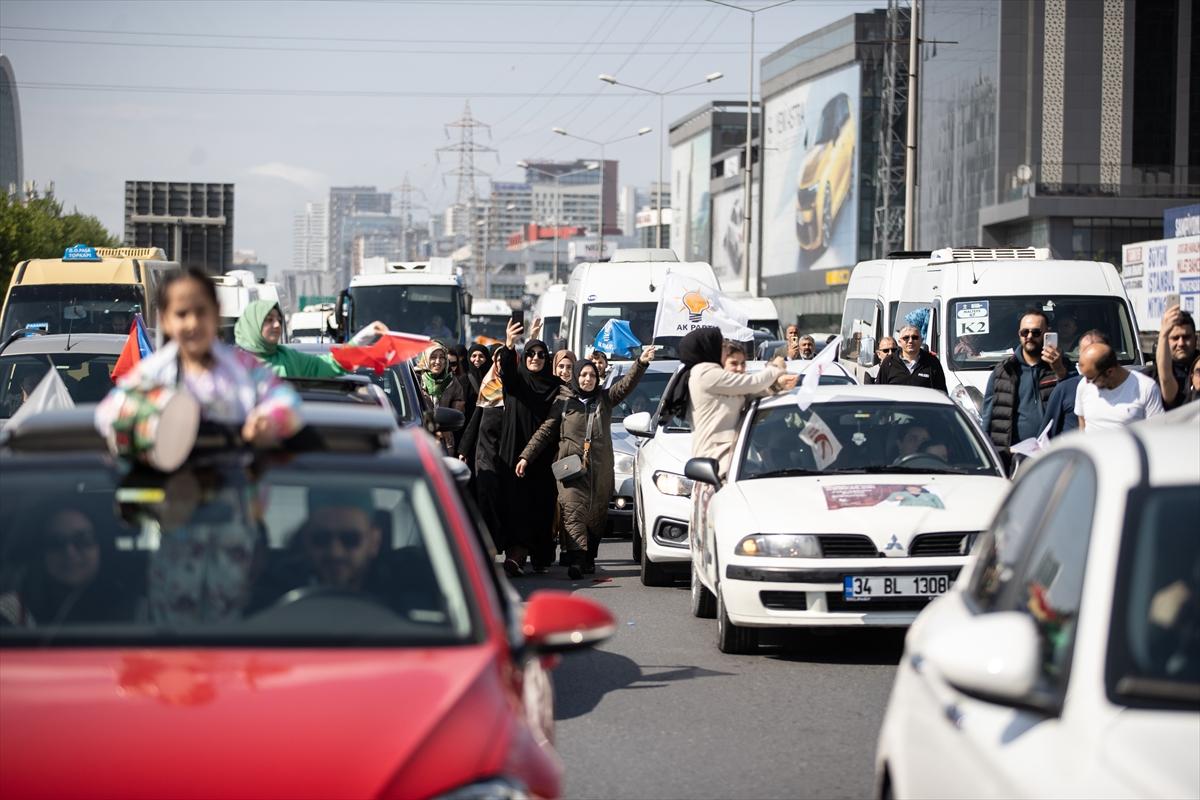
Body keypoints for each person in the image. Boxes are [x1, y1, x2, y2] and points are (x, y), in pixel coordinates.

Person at [97, 267, 302, 445]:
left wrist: (268, 421)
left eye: (201, 312)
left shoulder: (243, 367)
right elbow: (107, 414)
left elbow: (289, 401)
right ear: (164, 320)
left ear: (216, 313)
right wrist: (148, 421)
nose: (193, 323)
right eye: (182, 314)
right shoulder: (151, 372)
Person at [518, 346, 655, 578]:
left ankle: (588, 557)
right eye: (583, 375)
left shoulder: (605, 399)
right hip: (571, 471)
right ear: (576, 376)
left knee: (596, 517)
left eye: (591, 375)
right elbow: (545, 431)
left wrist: (641, 363)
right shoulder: (563, 403)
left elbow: (626, 385)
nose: (587, 379)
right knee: (572, 512)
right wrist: (526, 456)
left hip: (600, 471)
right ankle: (577, 560)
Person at [663, 327, 797, 480]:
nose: (724, 349)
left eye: (743, 363)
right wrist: (775, 367)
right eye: (719, 344)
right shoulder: (704, 372)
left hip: (735, 464)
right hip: (714, 466)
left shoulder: (720, 380)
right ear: (708, 347)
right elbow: (754, 382)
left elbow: (750, 393)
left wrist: (777, 385)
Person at [497, 320, 563, 576]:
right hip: (514, 451)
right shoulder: (517, 382)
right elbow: (506, 370)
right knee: (515, 503)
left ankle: (540, 554)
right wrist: (510, 344)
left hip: (542, 455)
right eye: (531, 354)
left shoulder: (554, 386)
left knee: (541, 502)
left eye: (541, 354)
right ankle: (516, 553)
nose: (536, 358)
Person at [0, 507, 134, 627]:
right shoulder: (15, 609)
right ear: (42, 553)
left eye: (83, 540)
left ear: (102, 547)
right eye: (56, 542)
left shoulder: (134, 612)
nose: (70, 553)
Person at [980, 309, 1068, 467]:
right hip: (1012, 458)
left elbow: (1075, 403)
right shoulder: (1004, 370)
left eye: (1036, 332)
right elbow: (988, 418)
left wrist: (1059, 370)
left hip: (1054, 455)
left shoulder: (1062, 366)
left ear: (1047, 334)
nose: (1029, 336)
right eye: (1024, 332)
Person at [234, 300, 388, 378]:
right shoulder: (230, 362)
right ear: (252, 325)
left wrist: (362, 338)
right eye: (269, 320)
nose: (277, 325)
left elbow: (332, 364)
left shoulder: (289, 359)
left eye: (279, 320)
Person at [458, 347, 507, 548]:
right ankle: (488, 544)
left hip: (511, 450)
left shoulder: (518, 386)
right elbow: (478, 417)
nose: (501, 365)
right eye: (498, 361)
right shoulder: (491, 384)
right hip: (486, 450)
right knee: (487, 494)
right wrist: (463, 449)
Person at [1075, 342, 1164, 432]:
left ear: (1110, 372)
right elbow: (1082, 422)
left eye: (1091, 379)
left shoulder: (1145, 387)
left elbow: (1157, 430)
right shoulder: (1083, 385)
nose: (1087, 382)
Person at [1041, 329, 1109, 437]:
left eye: (1098, 352)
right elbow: (1047, 434)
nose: (1092, 358)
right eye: (1086, 352)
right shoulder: (1067, 388)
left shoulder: (1132, 384)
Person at [415, 342, 466, 456]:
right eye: (433, 357)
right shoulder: (416, 380)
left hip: (444, 441)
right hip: (419, 437)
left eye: (442, 357)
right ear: (426, 358)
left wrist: (447, 424)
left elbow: (457, 411)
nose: (438, 362)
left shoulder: (452, 382)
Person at [875, 325, 947, 391]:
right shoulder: (888, 362)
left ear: (921, 341)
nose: (910, 341)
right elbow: (880, 392)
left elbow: (941, 393)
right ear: (899, 342)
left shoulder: (932, 362)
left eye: (914, 337)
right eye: (906, 338)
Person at [1155, 306, 1198, 410]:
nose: (1181, 343)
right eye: (1175, 338)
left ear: (1196, 339)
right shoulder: (1152, 376)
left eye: (1186, 337)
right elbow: (1166, 379)